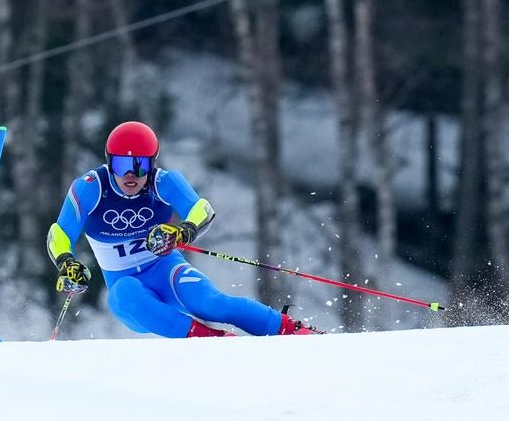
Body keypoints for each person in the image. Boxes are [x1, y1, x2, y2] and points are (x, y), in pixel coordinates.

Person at [46, 121, 320, 337]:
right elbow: (59, 233)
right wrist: (66, 262)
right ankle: (209, 341)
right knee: (123, 292)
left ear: (152, 163)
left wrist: (182, 232)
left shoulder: (163, 182)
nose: (130, 175)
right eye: (122, 165)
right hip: (132, 297)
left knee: (211, 304)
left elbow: (202, 209)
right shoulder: (91, 188)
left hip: (166, 271)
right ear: (109, 162)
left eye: (140, 166)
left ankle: (294, 331)